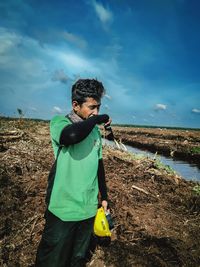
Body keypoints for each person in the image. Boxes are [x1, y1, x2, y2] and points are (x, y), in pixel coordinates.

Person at [35, 79, 110, 267]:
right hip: (63, 210)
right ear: (75, 105)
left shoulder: (94, 133)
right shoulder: (60, 122)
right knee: (52, 260)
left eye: (99, 107)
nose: (96, 112)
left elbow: (99, 165)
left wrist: (104, 196)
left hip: (87, 209)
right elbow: (72, 136)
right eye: (92, 107)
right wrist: (96, 120)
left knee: (77, 259)